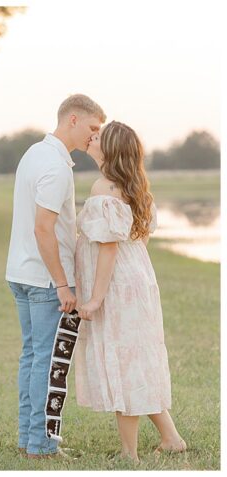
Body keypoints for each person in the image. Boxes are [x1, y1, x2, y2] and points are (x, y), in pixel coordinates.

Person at [73, 121, 186, 462]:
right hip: (139, 280)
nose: (92, 138)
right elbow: (139, 240)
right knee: (138, 359)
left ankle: (129, 454)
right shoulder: (135, 187)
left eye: (98, 137)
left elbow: (108, 248)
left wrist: (95, 297)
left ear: (110, 151)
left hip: (118, 286)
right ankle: (171, 439)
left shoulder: (104, 188)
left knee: (125, 362)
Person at [5, 94, 105, 458]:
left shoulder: (34, 153)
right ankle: (42, 445)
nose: (95, 137)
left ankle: (28, 439)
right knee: (48, 363)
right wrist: (63, 283)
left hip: (20, 272)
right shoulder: (57, 167)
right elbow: (43, 229)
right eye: (93, 128)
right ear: (73, 119)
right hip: (45, 280)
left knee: (32, 357)